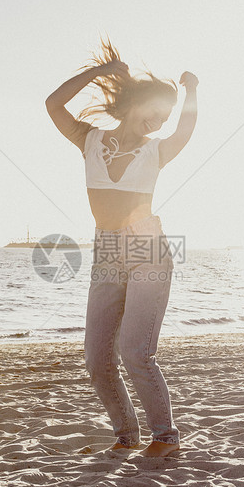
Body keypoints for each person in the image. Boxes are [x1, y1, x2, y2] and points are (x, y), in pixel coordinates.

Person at [45, 37, 198, 457]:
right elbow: (53, 104)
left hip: (148, 249)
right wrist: (99, 73)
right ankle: (125, 434)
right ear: (135, 101)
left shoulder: (157, 152)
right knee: (97, 358)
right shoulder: (90, 140)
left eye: (166, 116)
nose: (161, 121)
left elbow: (186, 128)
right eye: (156, 110)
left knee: (135, 350)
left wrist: (192, 91)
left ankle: (165, 437)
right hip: (107, 251)